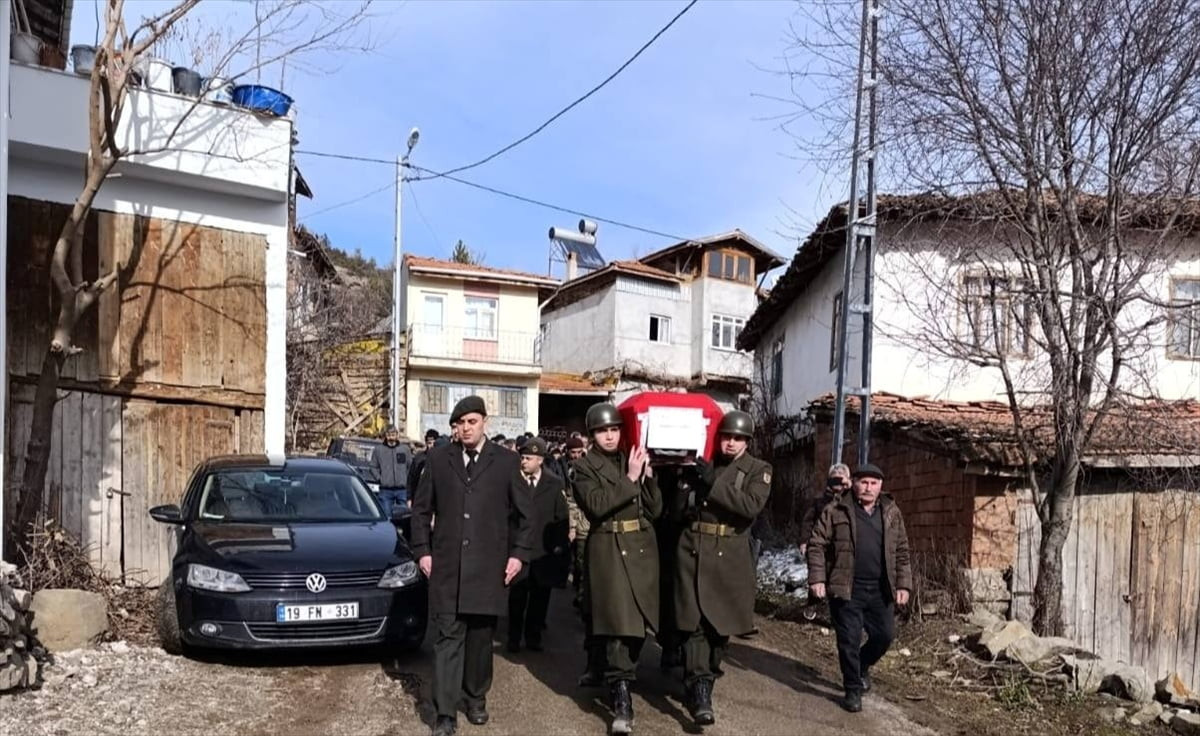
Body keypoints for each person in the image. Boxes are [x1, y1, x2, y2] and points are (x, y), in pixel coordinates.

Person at [411, 396, 534, 736]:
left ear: (484, 423)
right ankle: (445, 713)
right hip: (447, 568)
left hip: (489, 569)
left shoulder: (507, 463)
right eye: (460, 423)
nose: (465, 428)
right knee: (448, 640)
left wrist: (518, 555)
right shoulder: (437, 459)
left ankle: (476, 696)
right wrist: (423, 550)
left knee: (480, 640)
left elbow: (526, 517)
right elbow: (420, 512)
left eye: (472, 422)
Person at [672, 410, 772, 725]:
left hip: (729, 552)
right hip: (693, 549)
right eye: (726, 437)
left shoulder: (759, 469)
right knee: (695, 621)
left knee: (720, 627)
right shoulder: (704, 463)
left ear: (747, 442)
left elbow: (749, 507)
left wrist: (711, 482)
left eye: (737, 439)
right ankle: (700, 688)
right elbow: (677, 511)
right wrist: (683, 485)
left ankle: (706, 674)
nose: (730, 443)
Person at [572, 402, 661, 735]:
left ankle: (608, 671)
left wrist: (649, 479)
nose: (609, 436)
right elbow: (596, 506)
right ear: (592, 435)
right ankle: (622, 700)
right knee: (615, 627)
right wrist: (630, 479)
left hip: (639, 550)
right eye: (601, 431)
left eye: (613, 429)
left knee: (635, 626)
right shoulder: (583, 467)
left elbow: (654, 509)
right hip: (607, 549)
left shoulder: (632, 458)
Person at [807, 463, 912, 714]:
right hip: (847, 588)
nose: (868, 487)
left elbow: (902, 551)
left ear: (881, 487)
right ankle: (853, 688)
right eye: (863, 482)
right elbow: (816, 544)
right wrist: (817, 579)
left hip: (880, 589)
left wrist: (903, 584)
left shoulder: (891, 512)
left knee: (884, 636)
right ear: (853, 483)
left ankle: (861, 666)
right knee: (849, 640)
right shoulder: (836, 509)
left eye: (874, 483)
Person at [507, 438, 571, 652]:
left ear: (540, 460)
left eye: (528, 458)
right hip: (519, 549)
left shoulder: (553, 483)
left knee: (540, 597)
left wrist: (559, 544)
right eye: (522, 457)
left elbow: (560, 515)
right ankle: (513, 638)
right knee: (517, 597)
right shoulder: (513, 481)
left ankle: (533, 637)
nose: (523, 462)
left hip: (543, 549)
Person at [800, 463, 851, 555]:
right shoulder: (819, 501)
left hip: (845, 547)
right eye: (834, 479)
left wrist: (849, 489)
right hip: (823, 544)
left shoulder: (851, 500)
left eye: (840, 479)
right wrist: (804, 541)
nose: (837, 482)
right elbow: (808, 522)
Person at [371, 425, 410, 516]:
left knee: (405, 517)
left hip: (402, 490)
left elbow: (410, 466)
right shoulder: (379, 450)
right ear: (385, 435)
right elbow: (373, 467)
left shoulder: (405, 449)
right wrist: (380, 479)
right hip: (386, 491)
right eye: (389, 435)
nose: (391, 437)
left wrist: (406, 479)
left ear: (397, 435)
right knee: (387, 516)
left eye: (393, 434)